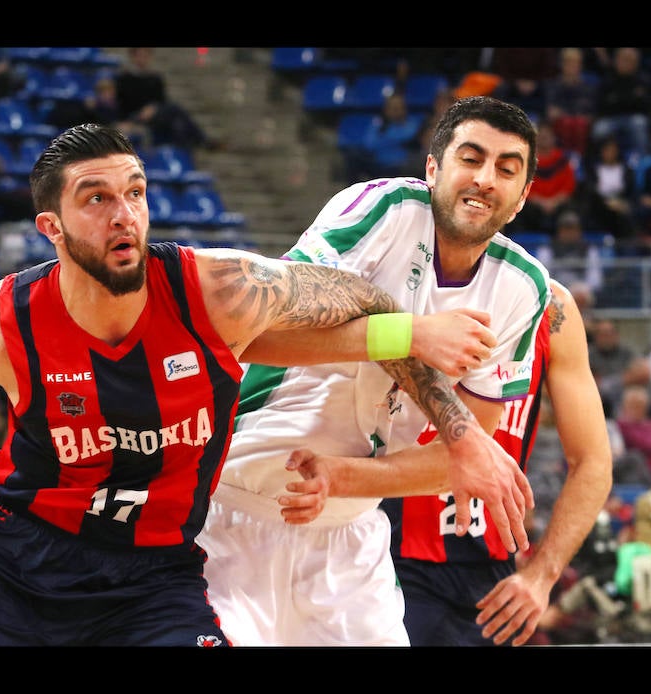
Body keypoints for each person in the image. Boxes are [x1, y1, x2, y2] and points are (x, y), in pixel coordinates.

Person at [0, 122, 529, 647]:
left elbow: (363, 300)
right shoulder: (3, 321)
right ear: (52, 226)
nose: (123, 214)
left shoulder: (218, 291)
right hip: (18, 561)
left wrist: (417, 345)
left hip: (153, 576)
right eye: (95, 199)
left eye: (135, 192)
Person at [197, 96, 550, 646]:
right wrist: (408, 333)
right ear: (433, 168)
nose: (485, 179)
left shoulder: (524, 287)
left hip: (350, 537)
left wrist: (342, 478)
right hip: (233, 508)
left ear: (523, 195)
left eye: (507, 170)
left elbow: (462, 457)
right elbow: (256, 335)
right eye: (471, 158)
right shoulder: (383, 209)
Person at [377, 280, 613, 646]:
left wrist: (542, 575)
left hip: (491, 578)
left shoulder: (551, 307)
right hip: (390, 554)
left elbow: (593, 462)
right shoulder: (403, 280)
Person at [509, 120, 577, 234]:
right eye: (541, 136)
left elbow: (569, 186)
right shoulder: (526, 160)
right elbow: (521, 184)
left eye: (547, 136)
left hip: (559, 207)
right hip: (531, 207)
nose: (544, 139)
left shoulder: (563, 161)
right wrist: (540, 202)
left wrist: (554, 202)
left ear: (554, 138)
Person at [534, 209, 603, 295]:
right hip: (555, 290)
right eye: (565, 229)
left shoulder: (589, 249)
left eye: (572, 229)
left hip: (580, 290)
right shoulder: (547, 249)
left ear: (579, 231)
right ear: (559, 231)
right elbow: (542, 279)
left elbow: (595, 280)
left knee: (581, 292)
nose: (569, 233)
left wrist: (576, 291)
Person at [615, 384, 651, 479]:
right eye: (634, 405)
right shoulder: (621, 426)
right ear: (625, 406)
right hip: (641, 473)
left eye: (641, 405)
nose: (638, 409)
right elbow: (645, 444)